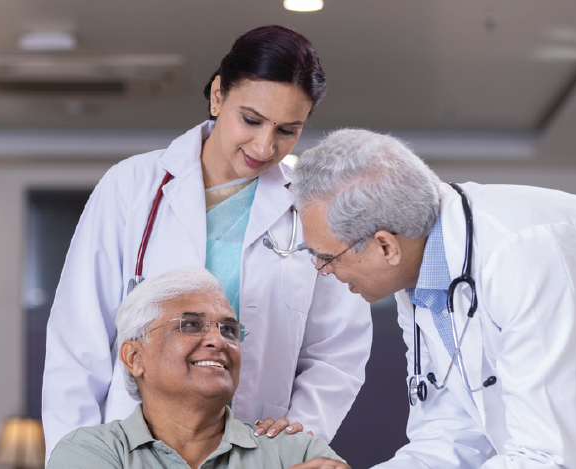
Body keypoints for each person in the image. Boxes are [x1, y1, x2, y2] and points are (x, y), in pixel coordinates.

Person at [290, 128, 576, 469]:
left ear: (386, 245)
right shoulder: (424, 281)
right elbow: (451, 435)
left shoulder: (526, 250)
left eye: (327, 257)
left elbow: (542, 457)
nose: (323, 271)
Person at [42, 25, 372, 461]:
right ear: (218, 95)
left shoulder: (309, 210)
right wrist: (78, 453)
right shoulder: (132, 187)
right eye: (251, 120)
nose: (264, 145)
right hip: (134, 450)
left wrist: (298, 433)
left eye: (287, 130)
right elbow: (77, 339)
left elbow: (337, 348)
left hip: (259, 448)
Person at [50, 267, 350, 469]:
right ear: (134, 357)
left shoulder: (296, 450)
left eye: (230, 330)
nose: (218, 341)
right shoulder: (88, 451)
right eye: (191, 325)